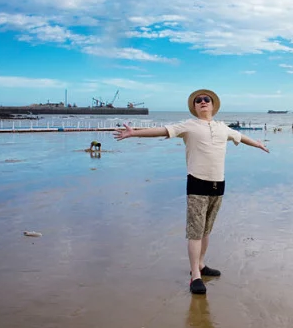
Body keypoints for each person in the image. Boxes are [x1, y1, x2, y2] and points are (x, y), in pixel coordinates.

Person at [113, 89, 269, 295]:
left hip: (218, 184)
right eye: (198, 100)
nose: (203, 102)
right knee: (195, 232)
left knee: (206, 230)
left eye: (206, 100)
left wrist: (257, 144)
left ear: (213, 105)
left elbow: (240, 136)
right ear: (195, 107)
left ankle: (202, 265)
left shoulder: (223, 127)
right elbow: (161, 130)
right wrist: (134, 133)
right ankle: (195, 274)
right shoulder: (188, 125)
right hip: (197, 183)